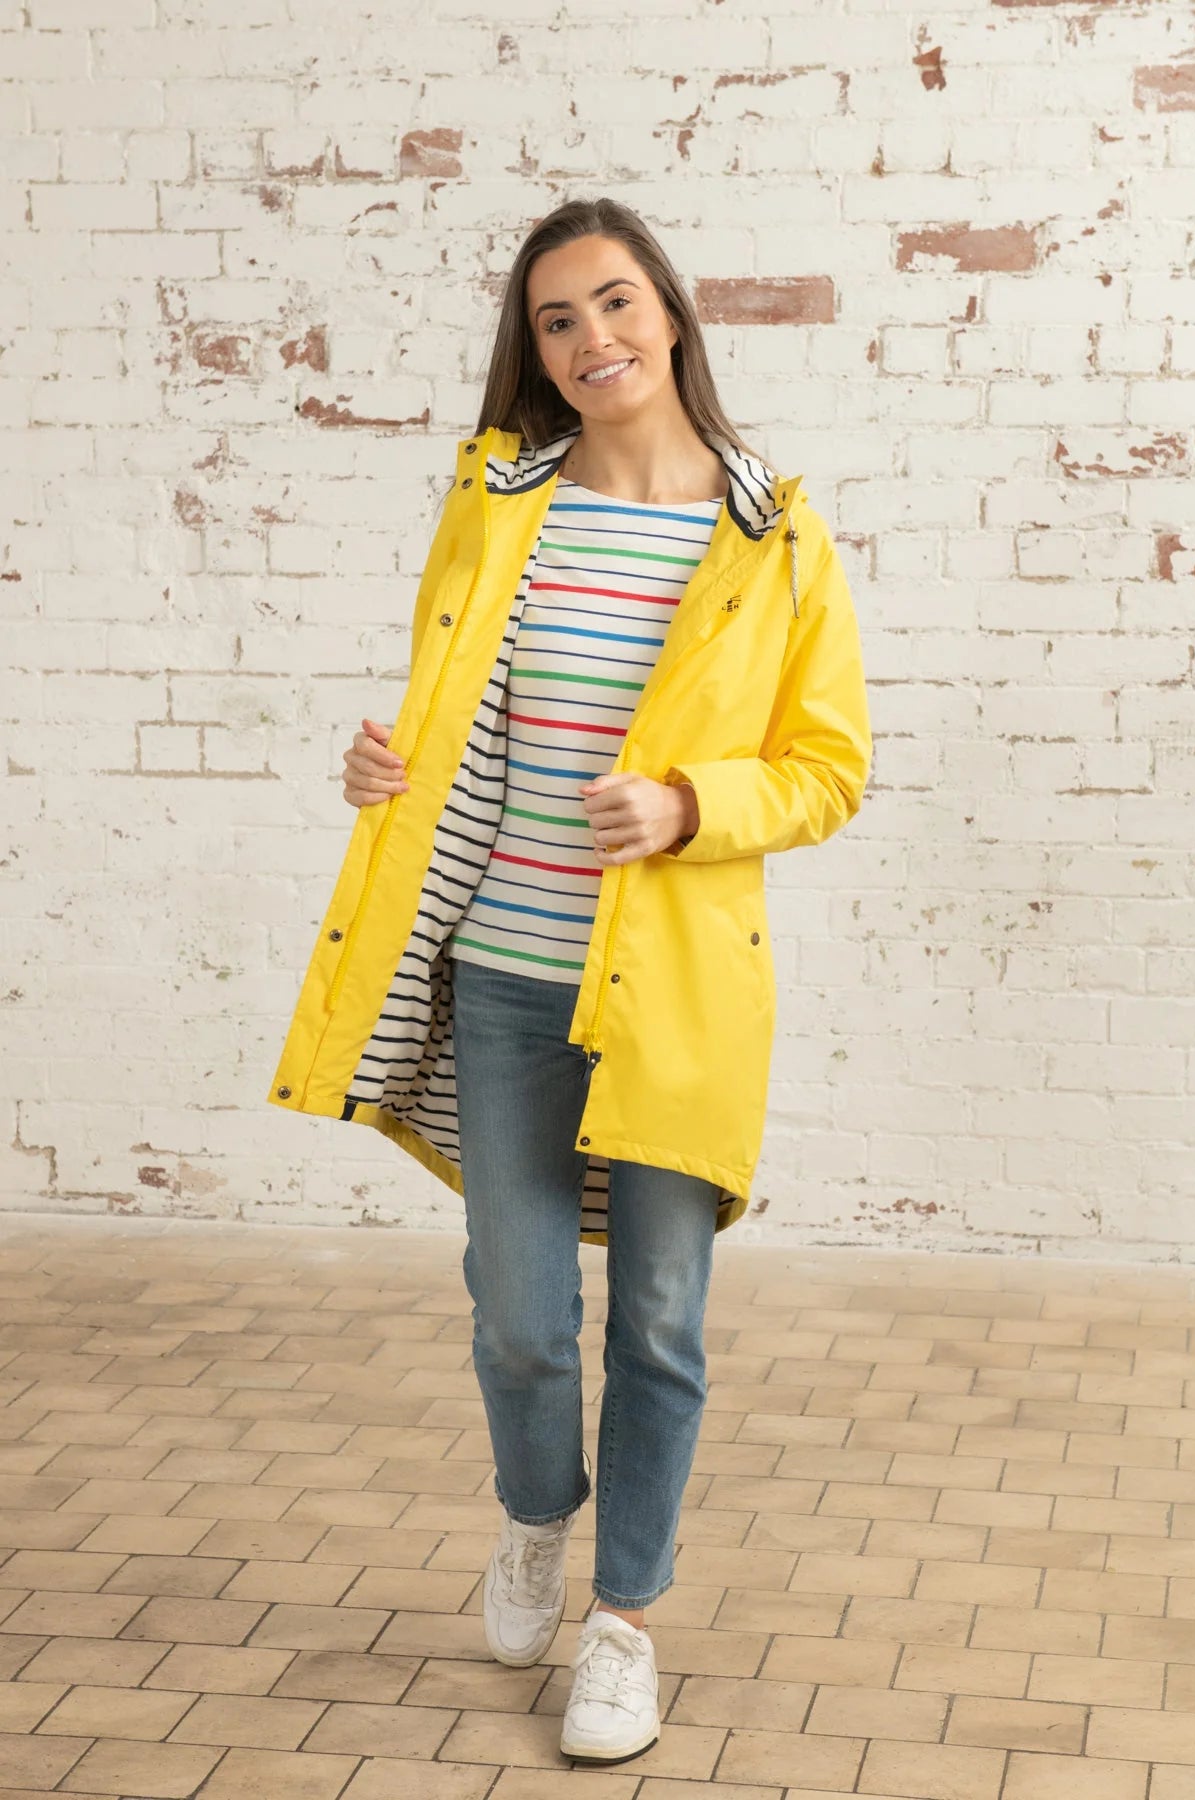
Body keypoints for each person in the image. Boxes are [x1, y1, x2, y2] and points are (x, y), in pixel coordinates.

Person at [269, 195, 872, 1766]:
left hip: (676, 996)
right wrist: (380, 768)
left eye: (614, 302)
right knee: (522, 1319)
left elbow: (829, 769)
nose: (592, 338)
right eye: (557, 320)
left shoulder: (772, 532)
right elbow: (446, 714)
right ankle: (536, 1513)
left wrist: (689, 807)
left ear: (668, 313)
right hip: (505, 978)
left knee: (659, 1327)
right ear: (534, 352)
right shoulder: (499, 505)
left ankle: (624, 1625)